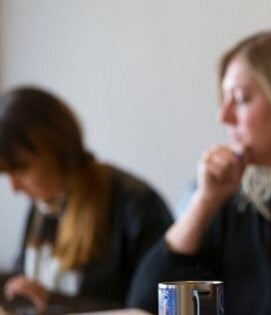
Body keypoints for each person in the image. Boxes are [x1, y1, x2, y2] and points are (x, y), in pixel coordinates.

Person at [127, 25, 271, 314]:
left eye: (240, 99)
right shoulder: (238, 200)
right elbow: (146, 302)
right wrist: (204, 202)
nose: (222, 116)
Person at [0, 87, 173, 313]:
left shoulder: (136, 204)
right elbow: (23, 284)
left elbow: (152, 307)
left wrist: (52, 300)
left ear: (55, 148)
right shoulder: (42, 205)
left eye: (20, 169)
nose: (13, 187)